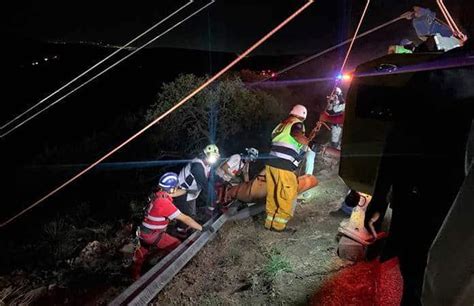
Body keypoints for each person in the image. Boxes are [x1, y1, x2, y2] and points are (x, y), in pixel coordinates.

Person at [131, 172, 214, 280]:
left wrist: (187, 190)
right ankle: (173, 272)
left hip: (143, 232)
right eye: (176, 186)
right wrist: (202, 228)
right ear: (171, 188)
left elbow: (172, 193)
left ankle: (134, 276)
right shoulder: (164, 203)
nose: (177, 187)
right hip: (153, 235)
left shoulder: (158, 194)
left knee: (140, 255)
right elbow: (185, 218)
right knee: (176, 245)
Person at [265, 104, 310, 231]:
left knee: (273, 193)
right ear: (302, 115)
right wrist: (310, 143)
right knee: (287, 194)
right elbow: (297, 135)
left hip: (271, 163)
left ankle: (269, 222)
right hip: (283, 165)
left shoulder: (281, 125)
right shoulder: (297, 123)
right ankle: (279, 225)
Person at [174, 144, 220, 237]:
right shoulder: (197, 166)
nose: (213, 160)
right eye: (211, 157)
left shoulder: (207, 164)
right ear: (204, 155)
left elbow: (208, 178)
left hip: (191, 192)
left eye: (215, 157)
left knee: (192, 214)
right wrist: (214, 197)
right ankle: (179, 232)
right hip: (181, 192)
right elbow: (204, 184)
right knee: (185, 215)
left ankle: (188, 228)